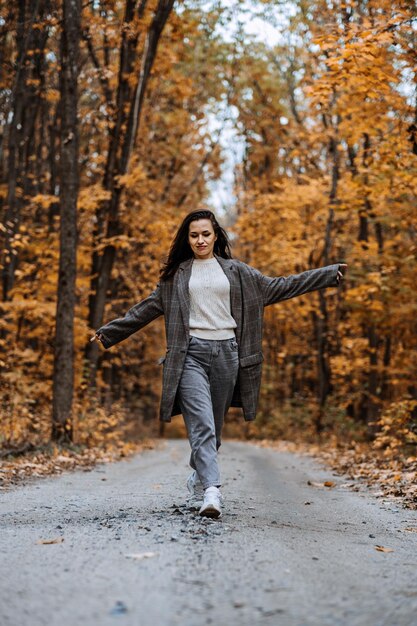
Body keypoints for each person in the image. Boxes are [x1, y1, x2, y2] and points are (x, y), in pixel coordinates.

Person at [91, 210, 347, 519]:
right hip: (189, 355)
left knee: (214, 429)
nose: (200, 240)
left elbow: (281, 286)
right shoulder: (176, 277)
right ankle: (212, 492)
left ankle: (199, 476)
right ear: (187, 239)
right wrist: (108, 333)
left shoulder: (237, 272)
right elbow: (145, 309)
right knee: (202, 425)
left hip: (228, 355)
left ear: (216, 237)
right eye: (194, 235)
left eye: (205, 234)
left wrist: (328, 274)